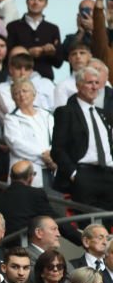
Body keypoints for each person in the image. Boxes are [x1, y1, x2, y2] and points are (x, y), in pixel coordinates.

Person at [52, 66, 113, 208]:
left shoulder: (103, 114)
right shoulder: (66, 112)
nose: (94, 87)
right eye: (89, 83)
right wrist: (74, 174)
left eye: (97, 83)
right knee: (88, 226)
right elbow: (58, 149)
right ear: (78, 85)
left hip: (109, 175)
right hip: (84, 175)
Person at [2, 78, 54, 187]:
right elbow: (16, 144)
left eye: (24, 91)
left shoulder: (47, 115)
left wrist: (52, 155)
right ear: (13, 98)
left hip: (52, 169)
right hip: (28, 172)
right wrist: (44, 156)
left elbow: (56, 138)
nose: (21, 95)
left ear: (34, 94)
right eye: (16, 93)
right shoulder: (10, 118)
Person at [5, 0, 62, 80]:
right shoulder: (13, 26)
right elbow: (6, 56)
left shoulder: (53, 29)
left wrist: (52, 53)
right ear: (27, 1)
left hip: (45, 79)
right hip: (18, 78)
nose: (36, 2)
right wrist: (28, 52)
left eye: (40, 0)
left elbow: (59, 63)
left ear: (45, 4)